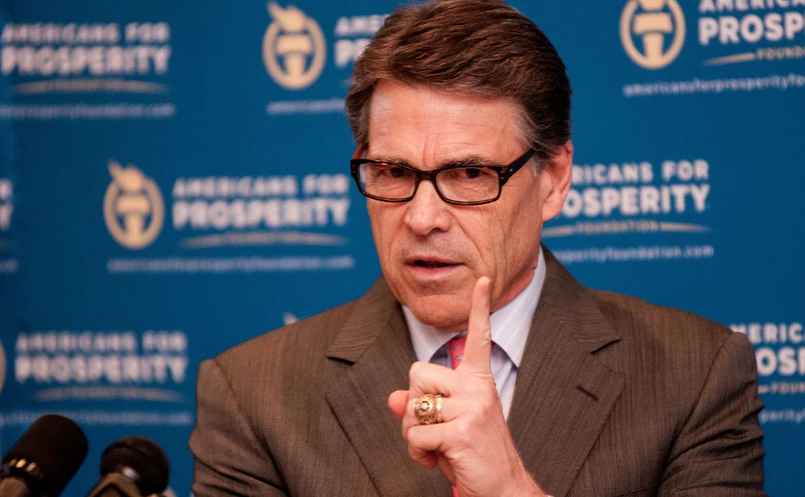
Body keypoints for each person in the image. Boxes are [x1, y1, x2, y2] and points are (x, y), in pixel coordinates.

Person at [189, 1, 766, 495]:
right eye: (393, 171)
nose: (422, 218)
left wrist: (510, 486)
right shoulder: (253, 395)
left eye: (469, 174)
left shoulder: (695, 376)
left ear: (553, 179)